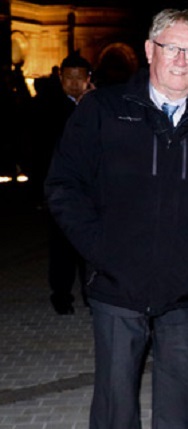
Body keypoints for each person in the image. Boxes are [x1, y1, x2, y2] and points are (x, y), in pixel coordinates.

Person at [44, 9, 188, 428]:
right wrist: (101, 250)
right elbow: (63, 185)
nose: (181, 59)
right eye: (172, 47)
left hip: (186, 288)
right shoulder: (104, 109)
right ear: (150, 50)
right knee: (115, 406)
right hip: (117, 284)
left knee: (183, 411)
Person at [34, 52, 93, 315]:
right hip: (61, 186)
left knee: (91, 245)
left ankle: (92, 295)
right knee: (62, 246)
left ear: (88, 79)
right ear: (60, 78)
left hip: (92, 189)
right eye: (68, 77)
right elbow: (37, 148)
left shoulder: (97, 105)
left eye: (79, 78)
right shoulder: (47, 106)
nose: (73, 83)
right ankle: (61, 295)